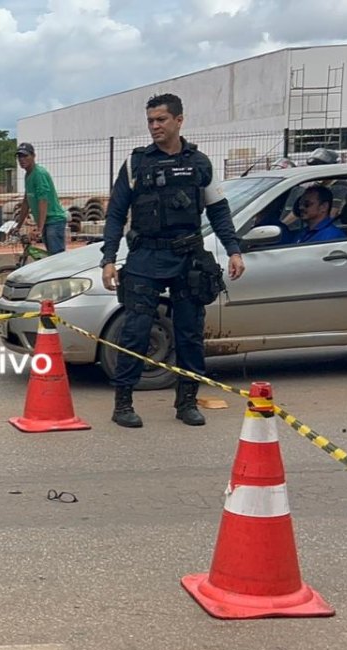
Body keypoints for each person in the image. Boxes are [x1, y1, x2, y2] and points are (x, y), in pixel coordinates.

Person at [100, 93, 246, 428]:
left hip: (187, 257)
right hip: (146, 255)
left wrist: (234, 250)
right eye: (150, 120)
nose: (154, 126)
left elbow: (219, 211)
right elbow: (116, 214)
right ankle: (123, 403)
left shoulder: (200, 163)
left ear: (179, 120)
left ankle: (187, 402)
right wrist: (108, 258)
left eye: (161, 120)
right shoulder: (135, 163)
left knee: (190, 333)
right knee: (135, 331)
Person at [14, 143, 70, 255]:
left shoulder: (39, 174)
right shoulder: (28, 175)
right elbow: (26, 201)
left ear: (33, 156)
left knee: (56, 258)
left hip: (54, 220)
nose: (22, 159)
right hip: (46, 222)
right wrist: (18, 226)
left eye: (25, 156)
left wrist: (39, 228)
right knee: (50, 257)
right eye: (19, 156)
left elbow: (43, 201)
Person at [279, 186, 347, 245]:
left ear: (323, 207)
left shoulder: (332, 236)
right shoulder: (303, 232)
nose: (301, 207)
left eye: (307, 204)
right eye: (300, 204)